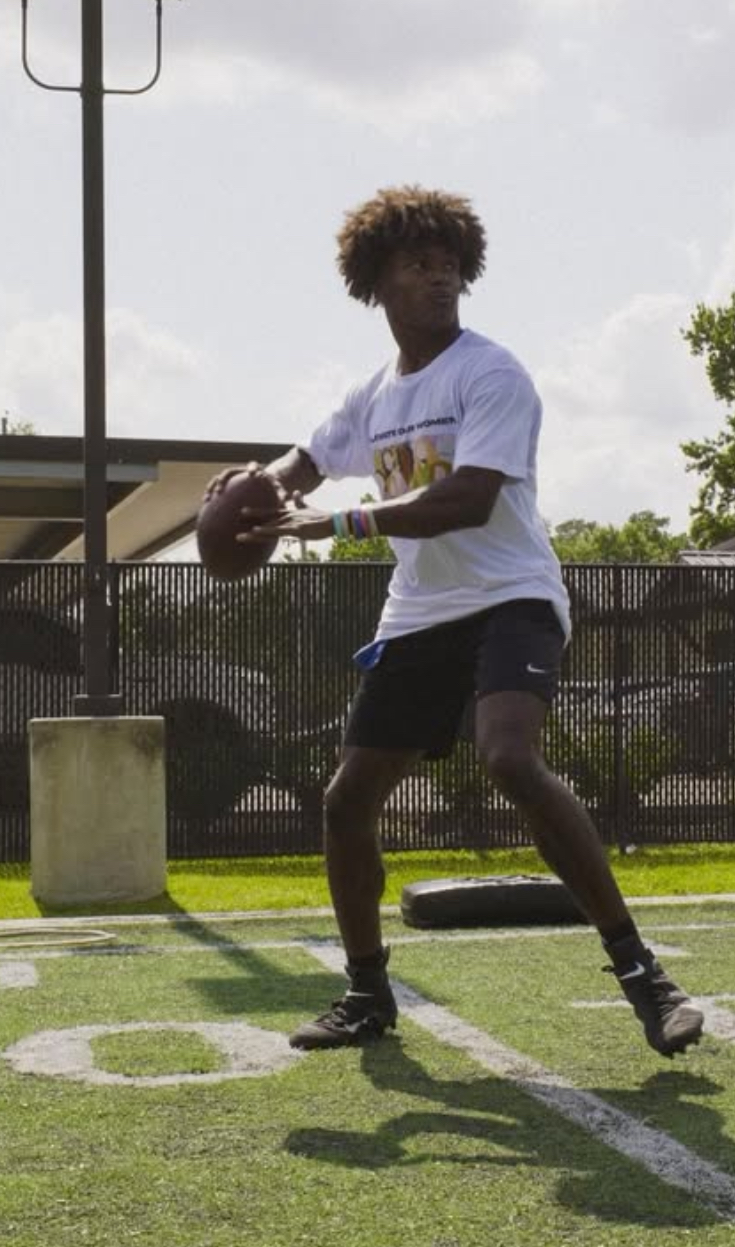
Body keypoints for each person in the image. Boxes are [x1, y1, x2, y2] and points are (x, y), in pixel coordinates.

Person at [208, 185, 703, 1059]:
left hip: (511, 593)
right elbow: (307, 460)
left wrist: (339, 522)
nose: (439, 279)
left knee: (508, 756)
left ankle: (643, 973)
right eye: (417, 264)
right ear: (377, 281)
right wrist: (256, 486)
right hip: (423, 611)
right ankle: (367, 992)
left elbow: (469, 499)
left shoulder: (491, 373)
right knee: (346, 801)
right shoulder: (373, 396)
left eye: (448, 265)